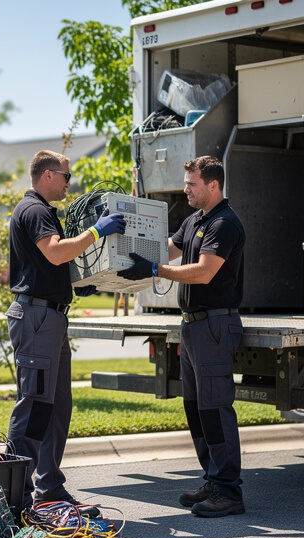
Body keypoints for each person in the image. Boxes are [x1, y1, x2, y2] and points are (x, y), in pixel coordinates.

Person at [117, 155, 245, 518]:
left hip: (216, 326)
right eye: (186, 182)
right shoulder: (194, 221)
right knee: (196, 408)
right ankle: (213, 478)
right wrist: (118, 259)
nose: (185, 188)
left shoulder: (224, 224)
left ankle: (229, 491)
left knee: (215, 409)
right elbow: (166, 249)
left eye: (192, 183)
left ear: (213, 185)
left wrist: (156, 269)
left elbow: (204, 273)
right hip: (192, 326)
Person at [7, 149, 125, 515]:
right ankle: (17, 497)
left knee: (57, 407)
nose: (69, 183)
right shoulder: (36, 210)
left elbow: (53, 264)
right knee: (35, 406)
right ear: (46, 175)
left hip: (50, 317)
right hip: (37, 318)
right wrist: (96, 230)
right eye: (65, 176)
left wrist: (78, 284)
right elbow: (56, 253)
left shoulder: (44, 212)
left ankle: (51, 490)